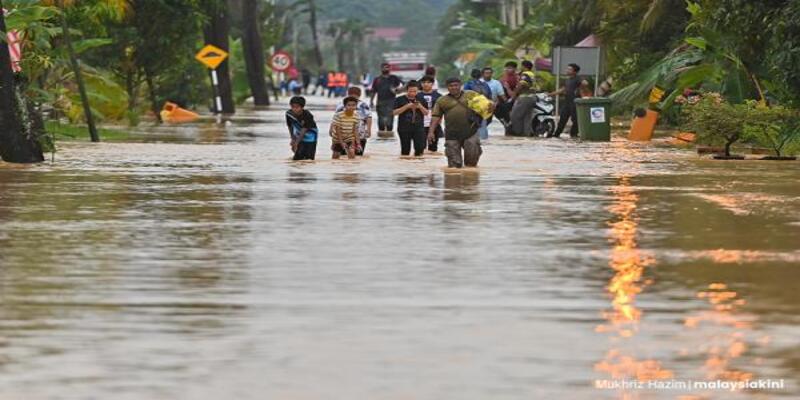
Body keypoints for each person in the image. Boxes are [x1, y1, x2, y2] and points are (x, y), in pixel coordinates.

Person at [428, 78, 490, 168]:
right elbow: (436, 117)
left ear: (460, 85)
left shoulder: (471, 95)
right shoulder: (442, 100)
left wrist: (490, 106)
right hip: (451, 134)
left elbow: (485, 106)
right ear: (447, 87)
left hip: (471, 132)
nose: (454, 88)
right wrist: (431, 132)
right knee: (454, 166)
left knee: (471, 163)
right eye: (451, 86)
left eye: (456, 85)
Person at [393, 81, 428, 157]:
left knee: (420, 150)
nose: (412, 93)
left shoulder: (421, 99)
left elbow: (426, 113)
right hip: (404, 128)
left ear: (418, 90)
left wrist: (420, 107)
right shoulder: (399, 99)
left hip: (419, 128)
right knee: (405, 151)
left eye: (415, 91)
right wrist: (406, 106)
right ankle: (406, 167)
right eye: (410, 91)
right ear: (406, 90)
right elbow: (394, 113)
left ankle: (417, 166)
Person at [335, 86, 372, 156]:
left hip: (358, 134)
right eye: (351, 96)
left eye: (355, 96)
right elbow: (336, 119)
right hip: (345, 134)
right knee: (346, 156)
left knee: (356, 156)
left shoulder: (363, 105)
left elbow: (368, 117)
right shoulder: (341, 105)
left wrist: (369, 130)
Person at [369, 63, 403, 136]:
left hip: (391, 102)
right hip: (380, 102)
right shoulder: (377, 79)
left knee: (390, 121)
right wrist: (371, 101)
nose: (386, 69)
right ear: (381, 69)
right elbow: (373, 91)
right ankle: (381, 135)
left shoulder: (394, 78)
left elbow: (403, 86)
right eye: (384, 67)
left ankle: (389, 135)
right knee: (381, 121)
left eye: (387, 67)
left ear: (390, 69)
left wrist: (396, 90)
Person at [550, 63, 581, 138]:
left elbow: (585, 84)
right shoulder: (568, 80)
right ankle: (556, 134)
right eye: (567, 69)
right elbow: (563, 89)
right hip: (567, 102)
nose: (567, 70)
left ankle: (573, 134)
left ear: (575, 71)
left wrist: (579, 90)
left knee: (575, 120)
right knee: (562, 119)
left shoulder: (578, 79)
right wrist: (551, 94)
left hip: (574, 102)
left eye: (569, 69)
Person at [509, 60, 540, 136]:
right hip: (532, 97)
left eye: (521, 66)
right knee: (527, 118)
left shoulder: (525, 74)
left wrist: (513, 95)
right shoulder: (532, 74)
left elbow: (521, 85)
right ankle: (527, 134)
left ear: (524, 66)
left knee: (514, 116)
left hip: (525, 97)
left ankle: (518, 133)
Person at [463, 68, 493, 140]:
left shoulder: (468, 84)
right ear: (480, 75)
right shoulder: (485, 85)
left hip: (473, 108)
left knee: (472, 126)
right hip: (484, 109)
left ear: (471, 75)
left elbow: (464, 97)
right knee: (483, 126)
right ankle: (484, 140)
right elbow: (490, 97)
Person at [285, 96, 318, 161]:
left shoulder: (307, 115)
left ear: (302, 107)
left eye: (297, 107)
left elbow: (304, 129)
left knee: (309, 159)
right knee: (297, 158)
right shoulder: (289, 114)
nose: (294, 109)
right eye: (292, 107)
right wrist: (292, 138)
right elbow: (290, 126)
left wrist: (296, 143)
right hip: (298, 133)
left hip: (311, 136)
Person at [419, 75, 443, 152]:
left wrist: (439, 122)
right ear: (421, 84)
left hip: (434, 124)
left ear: (432, 84)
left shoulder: (439, 96)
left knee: (433, 148)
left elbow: (442, 111)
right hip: (420, 124)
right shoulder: (417, 95)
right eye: (423, 82)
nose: (426, 84)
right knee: (420, 148)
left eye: (428, 82)